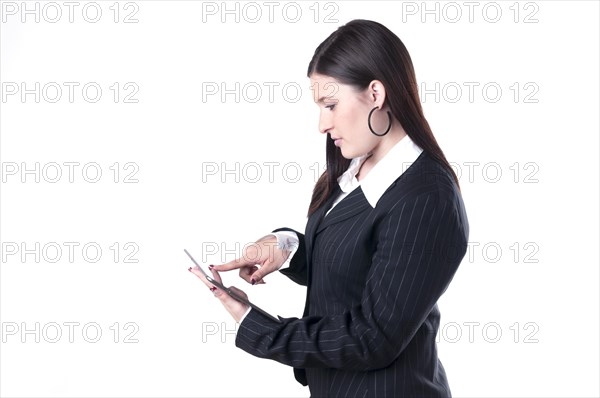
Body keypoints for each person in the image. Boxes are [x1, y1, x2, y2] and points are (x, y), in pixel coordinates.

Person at [189, 19, 469, 398]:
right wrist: (284, 246)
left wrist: (254, 324)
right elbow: (353, 270)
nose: (322, 124)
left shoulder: (426, 198)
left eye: (331, 105)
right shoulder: (355, 167)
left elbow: (373, 338)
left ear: (375, 93)